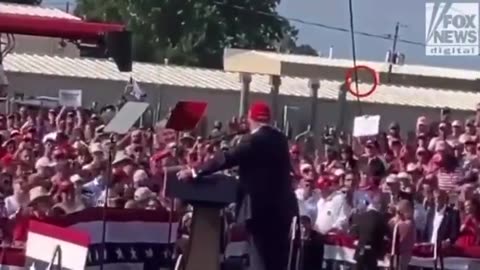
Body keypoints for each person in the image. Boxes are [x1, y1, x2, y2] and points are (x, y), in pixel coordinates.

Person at [177, 101, 298, 270]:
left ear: (250, 118)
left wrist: (195, 172)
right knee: (276, 259)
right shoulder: (280, 139)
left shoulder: (254, 140)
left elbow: (227, 158)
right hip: (282, 210)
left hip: (259, 210)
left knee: (259, 257)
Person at [350, 194, 389, 270]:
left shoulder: (361, 216)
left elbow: (354, 233)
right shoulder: (381, 219)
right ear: (380, 205)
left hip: (360, 251)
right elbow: (386, 235)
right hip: (373, 253)